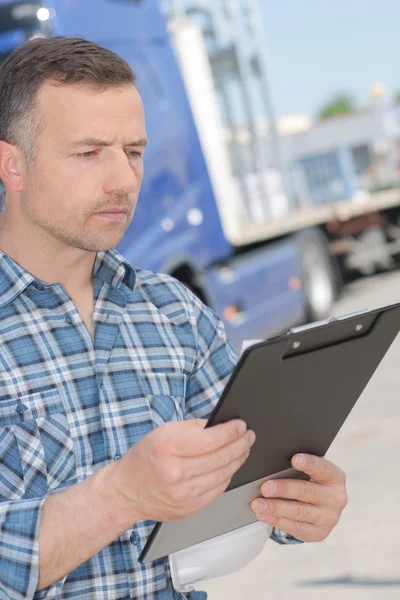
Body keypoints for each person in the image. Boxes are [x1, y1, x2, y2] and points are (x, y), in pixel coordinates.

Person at [0, 37, 348, 600]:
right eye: (89, 153)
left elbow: (248, 480)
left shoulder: (174, 312)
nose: (124, 179)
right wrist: (120, 495)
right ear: (12, 166)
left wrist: (297, 505)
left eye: (133, 151)